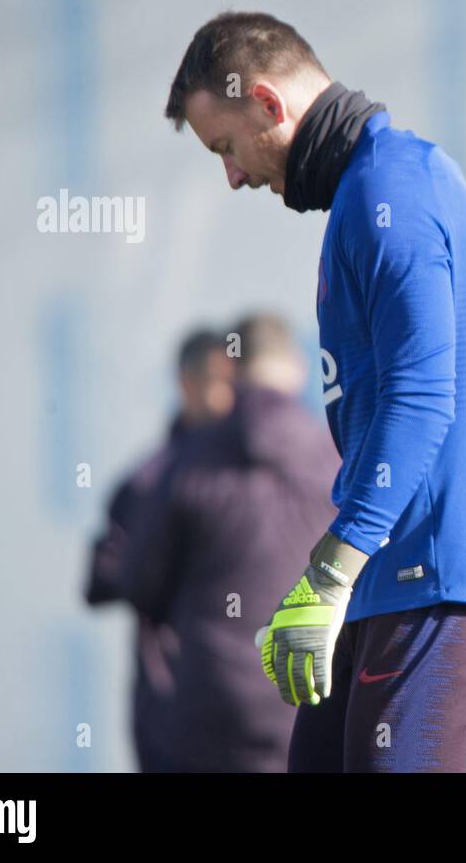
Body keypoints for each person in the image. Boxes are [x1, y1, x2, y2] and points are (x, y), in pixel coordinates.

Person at [164, 13, 466, 772]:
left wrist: (331, 570)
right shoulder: (366, 190)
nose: (231, 176)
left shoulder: (391, 184)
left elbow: (426, 397)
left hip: (431, 584)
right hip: (387, 586)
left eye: (226, 147)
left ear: (267, 102)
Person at [118, 313, 341, 771]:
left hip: (207, 707)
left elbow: (142, 581)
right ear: (297, 367)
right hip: (306, 693)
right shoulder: (334, 459)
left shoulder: (187, 462)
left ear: (231, 371)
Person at [84, 327, 235, 771]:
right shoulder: (149, 482)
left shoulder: (258, 479)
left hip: (245, 704)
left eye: (234, 383)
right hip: (170, 705)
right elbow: (103, 577)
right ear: (186, 383)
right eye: (217, 382)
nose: (228, 397)